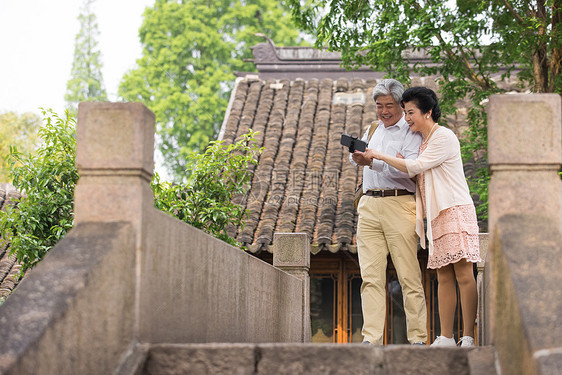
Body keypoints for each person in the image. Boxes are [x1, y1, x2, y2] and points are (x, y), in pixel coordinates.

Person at [366, 86, 481, 347]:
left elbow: (415, 166)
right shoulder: (425, 141)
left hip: (454, 210)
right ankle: (446, 337)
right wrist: (393, 160)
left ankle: (468, 336)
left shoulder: (444, 137)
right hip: (436, 215)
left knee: (464, 275)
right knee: (443, 276)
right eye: (405, 112)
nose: (406, 118)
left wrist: (378, 155)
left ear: (427, 112)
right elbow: (413, 169)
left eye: (410, 112)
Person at [350, 79, 427, 345]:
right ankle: (371, 339)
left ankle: (418, 337)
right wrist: (360, 157)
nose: (384, 111)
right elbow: (360, 156)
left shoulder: (411, 131)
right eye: (379, 106)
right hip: (369, 205)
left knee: (408, 275)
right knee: (370, 277)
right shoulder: (373, 128)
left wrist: (375, 161)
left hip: (400, 203)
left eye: (389, 106)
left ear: (401, 105)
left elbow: (409, 167)